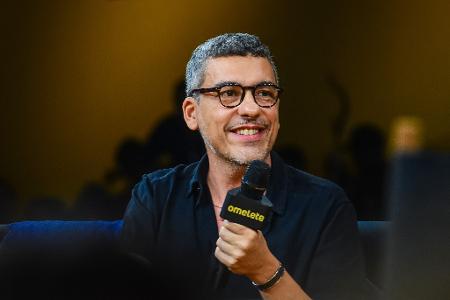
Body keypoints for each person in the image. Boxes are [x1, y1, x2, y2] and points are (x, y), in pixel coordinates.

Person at [121, 33, 375, 299]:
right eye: (229, 93)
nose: (251, 109)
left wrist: (266, 271)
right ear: (191, 113)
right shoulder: (156, 196)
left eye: (264, 93)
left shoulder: (326, 206)